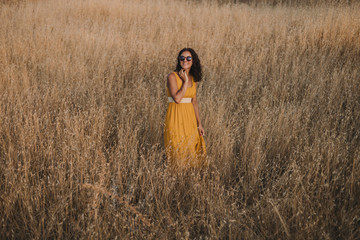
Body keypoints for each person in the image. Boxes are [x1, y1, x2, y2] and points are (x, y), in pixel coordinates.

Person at [164, 48, 207, 169]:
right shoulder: (172, 76)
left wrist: (199, 123)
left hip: (190, 119)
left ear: (193, 61)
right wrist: (185, 81)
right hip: (175, 117)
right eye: (182, 58)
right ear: (179, 60)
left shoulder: (194, 79)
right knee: (177, 149)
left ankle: (189, 177)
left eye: (188, 58)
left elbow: (194, 102)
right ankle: (177, 177)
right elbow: (177, 99)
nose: (185, 61)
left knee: (191, 148)